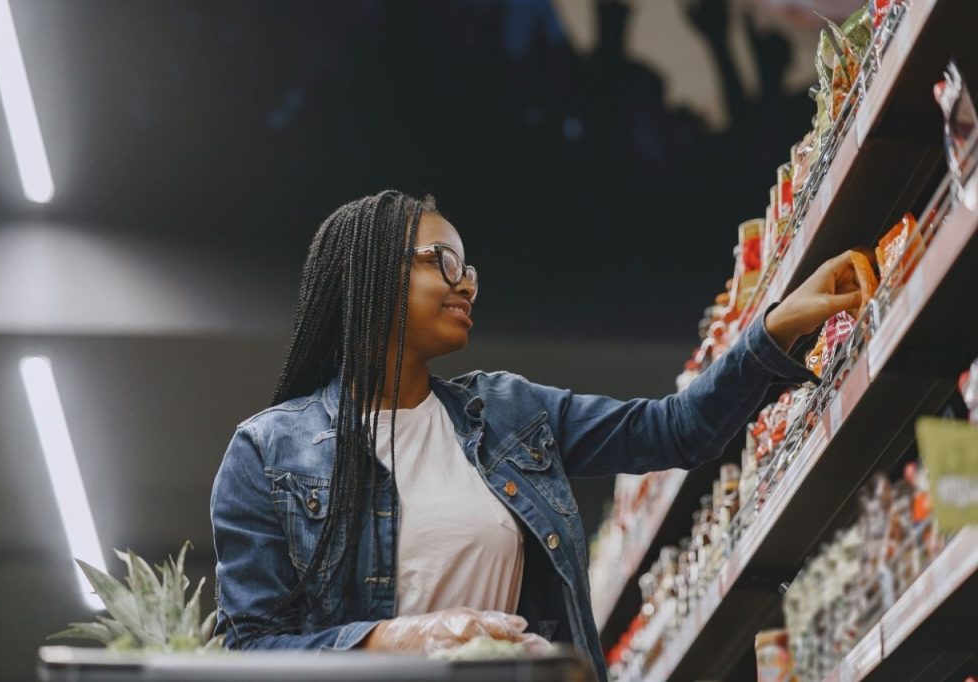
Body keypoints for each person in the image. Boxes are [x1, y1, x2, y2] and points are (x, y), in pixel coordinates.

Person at [210, 190, 863, 680]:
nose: (466, 281)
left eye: (468, 268)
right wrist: (401, 639)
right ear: (372, 277)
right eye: (444, 261)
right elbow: (254, 653)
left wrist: (776, 328)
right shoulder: (269, 455)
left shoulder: (510, 413)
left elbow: (677, 431)